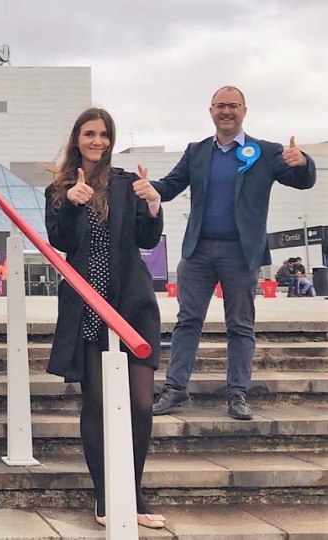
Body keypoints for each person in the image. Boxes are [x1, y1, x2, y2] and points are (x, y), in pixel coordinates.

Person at [152, 86, 317, 420]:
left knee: (240, 325)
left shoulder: (265, 152)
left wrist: (304, 163)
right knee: (187, 322)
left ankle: (238, 394)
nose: (226, 111)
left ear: (244, 110)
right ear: (210, 111)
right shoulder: (196, 151)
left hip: (240, 253)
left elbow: (302, 182)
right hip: (198, 251)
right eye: (220, 106)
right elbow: (169, 188)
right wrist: (144, 188)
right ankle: (174, 389)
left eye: (233, 106)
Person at [45, 108, 166, 529]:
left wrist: (153, 205)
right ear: (77, 138)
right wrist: (73, 206)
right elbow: (59, 241)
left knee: (141, 404)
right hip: (87, 304)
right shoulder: (59, 188)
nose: (97, 141)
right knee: (96, 403)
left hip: (131, 302)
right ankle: (104, 495)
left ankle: (133, 492)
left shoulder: (126, 184)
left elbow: (148, 240)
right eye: (90, 134)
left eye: (104, 135)